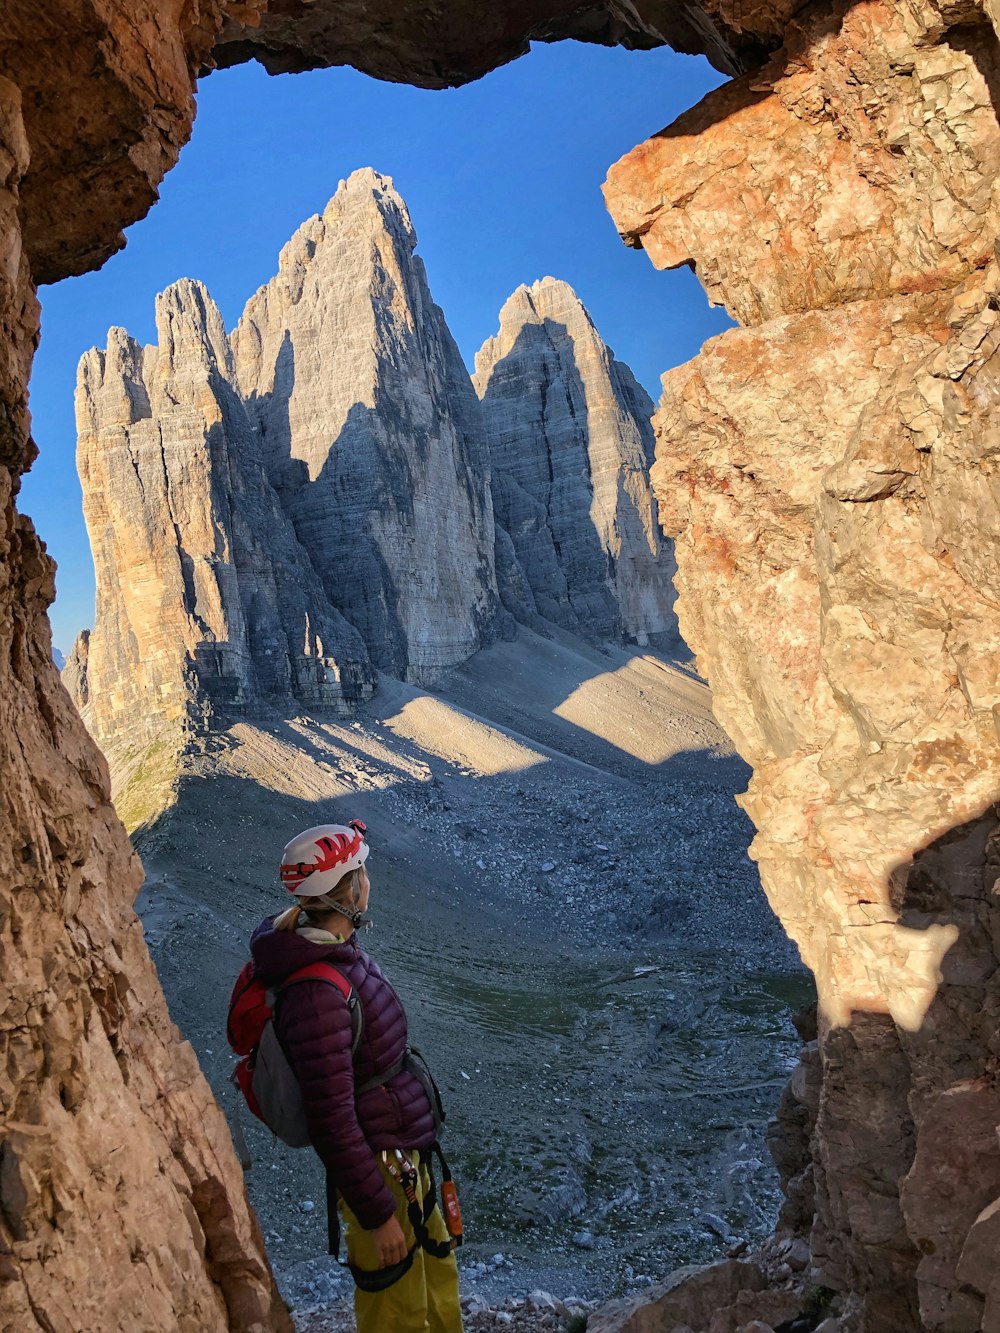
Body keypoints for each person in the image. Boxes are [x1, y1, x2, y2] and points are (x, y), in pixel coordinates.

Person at [248, 819, 464, 1333]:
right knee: (399, 1309)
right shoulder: (317, 993)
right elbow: (331, 1118)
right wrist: (376, 1214)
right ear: (348, 891)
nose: (370, 883)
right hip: (380, 1171)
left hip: (399, 1157)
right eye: (363, 874)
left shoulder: (331, 953)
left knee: (433, 1277)